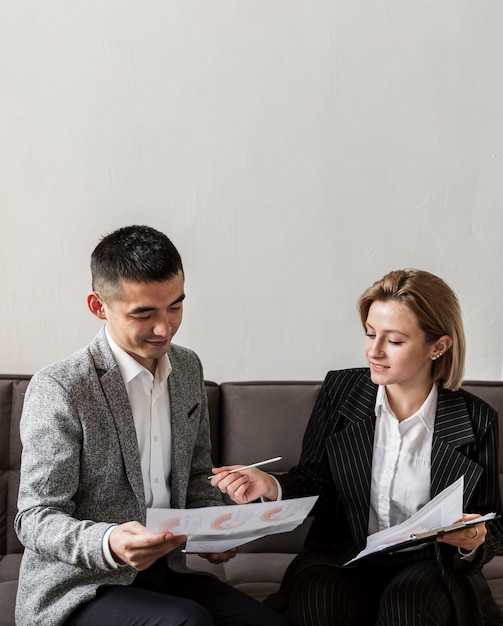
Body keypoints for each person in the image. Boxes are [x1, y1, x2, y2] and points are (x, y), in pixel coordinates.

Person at [15, 225, 286, 626]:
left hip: (165, 573)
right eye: (144, 313)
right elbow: (35, 517)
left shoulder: (188, 368)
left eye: (175, 306)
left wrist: (216, 533)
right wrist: (109, 543)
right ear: (98, 305)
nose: (165, 328)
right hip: (81, 586)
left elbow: (196, 475)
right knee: (187, 622)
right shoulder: (61, 387)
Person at [210, 269, 503, 626]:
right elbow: (315, 479)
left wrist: (472, 538)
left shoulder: (476, 418)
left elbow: (492, 522)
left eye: (394, 341)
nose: (374, 351)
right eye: (369, 334)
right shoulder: (341, 391)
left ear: (438, 346)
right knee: (320, 601)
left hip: (430, 563)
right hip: (342, 554)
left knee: (406, 608)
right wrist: (271, 485)